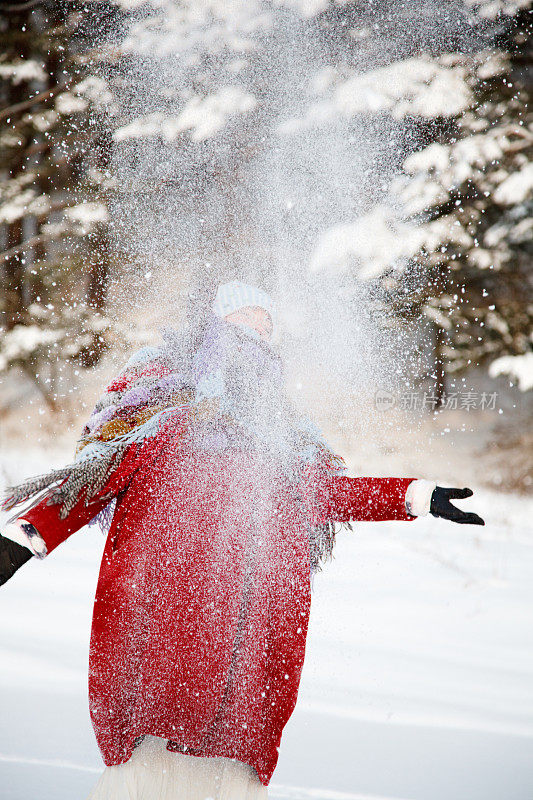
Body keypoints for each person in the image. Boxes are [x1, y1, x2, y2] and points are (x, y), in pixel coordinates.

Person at [0, 281, 484, 800]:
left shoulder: (284, 443)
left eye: (264, 328)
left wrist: (415, 495)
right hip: (157, 639)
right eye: (241, 323)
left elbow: (329, 493)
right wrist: (21, 541)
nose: (253, 340)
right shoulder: (161, 419)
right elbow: (90, 484)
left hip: (244, 662)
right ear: (209, 328)